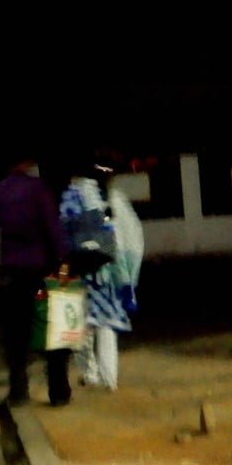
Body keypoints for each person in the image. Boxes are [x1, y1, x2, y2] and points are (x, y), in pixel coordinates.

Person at [0, 150, 73, 407]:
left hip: (11, 275)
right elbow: (54, 232)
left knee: (15, 335)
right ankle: (58, 391)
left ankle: (18, 389)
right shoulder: (39, 191)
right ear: (27, 163)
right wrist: (64, 267)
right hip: (42, 273)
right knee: (52, 333)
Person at [61, 151, 143, 390]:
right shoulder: (111, 197)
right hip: (106, 271)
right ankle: (110, 379)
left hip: (78, 271)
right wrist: (126, 278)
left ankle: (90, 374)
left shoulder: (71, 196)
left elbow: (63, 234)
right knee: (106, 325)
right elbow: (129, 237)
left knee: (81, 327)